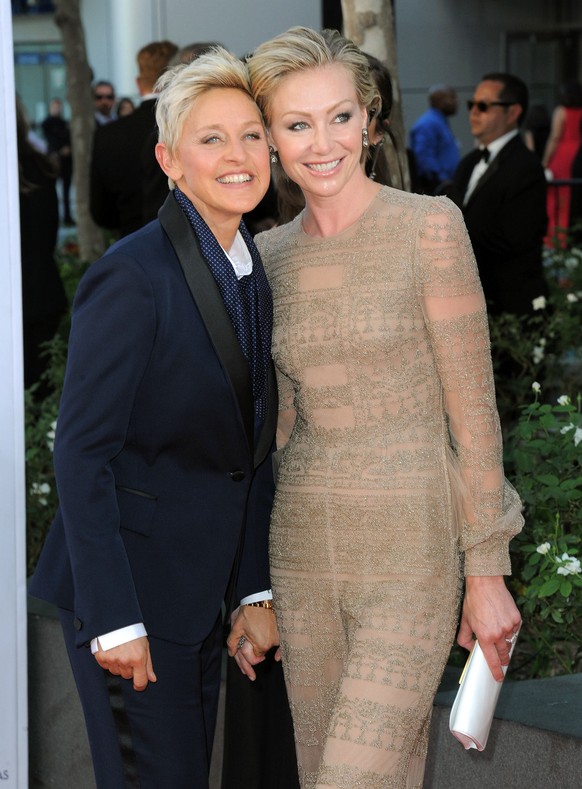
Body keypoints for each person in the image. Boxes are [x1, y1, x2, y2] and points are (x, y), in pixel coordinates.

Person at [231, 27, 523, 788]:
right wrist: (251, 583)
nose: (321, 142)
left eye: (339, 117)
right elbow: (280, 428)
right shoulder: (268, 257)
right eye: (296, 124)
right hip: (304, 553)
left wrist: (486, 569)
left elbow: (474, 412)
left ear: (370, 118)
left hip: (410, 554)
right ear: (271, 139)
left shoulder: (428, 226)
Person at [29, 47, 282, 789]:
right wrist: (115, 618)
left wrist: (252, 589)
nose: (238, 155)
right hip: (133, 603)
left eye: (251, 134)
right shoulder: (132, 276)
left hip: (197, 599)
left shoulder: (249, 266)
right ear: (170, 159)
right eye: (212, 139)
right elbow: (80, 453)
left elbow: (248, 446)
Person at [450, 72, 548, 316]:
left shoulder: (527, 167)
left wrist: (450, 243)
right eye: (471, 104)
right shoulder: (467, 163)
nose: (473, 112)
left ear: (513, 113)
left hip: (507, 307)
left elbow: (514, 239)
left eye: (483, 106)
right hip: (466, 300)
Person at [90, 40, 178, 237]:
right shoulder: (187, 128)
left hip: (130, 239)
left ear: (139, 83)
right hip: (185, 246)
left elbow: (100, 212)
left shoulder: (108, 135)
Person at [16, 95, 67, 393]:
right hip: (41, 290)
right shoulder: (40, 167)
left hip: (31, 295)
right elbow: (49, 234)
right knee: (39, 389)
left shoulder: (35, 167)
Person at [542, 80, 582, 247]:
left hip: (563, 154)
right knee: (571, 195)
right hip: (578, 152)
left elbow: (555, 137)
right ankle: (568, 235)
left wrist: (544, 162)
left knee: (556, 195)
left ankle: (555, 237)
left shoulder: (561, 111)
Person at [409, 83, 460, 194]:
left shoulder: (440, 122)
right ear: (437, 100)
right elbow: (424, 156)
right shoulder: (427, 124)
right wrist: (442, 180)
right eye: (451, 97)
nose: (456, 101)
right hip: (437, 189)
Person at [41, 97, 74, 225]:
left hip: (66, 162)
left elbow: (68, 138)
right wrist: (60, 150)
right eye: (55, 106)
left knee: (66, 191)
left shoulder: (63, 123)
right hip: (54, 161)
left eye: (58, 106)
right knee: (52, 192)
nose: (57, 109)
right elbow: (52, 139)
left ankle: (67, 217)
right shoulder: (47, 123)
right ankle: (53, 218)